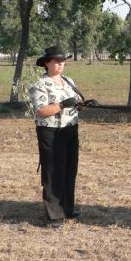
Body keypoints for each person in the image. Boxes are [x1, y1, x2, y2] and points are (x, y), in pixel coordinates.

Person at [29, 46, 83, 227]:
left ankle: (67, 209)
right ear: (47, 63)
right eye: (56, 61)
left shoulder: (68, 81)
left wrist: (83, 104)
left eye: (63, 61)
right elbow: (41, 111)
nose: (61, 64)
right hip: (51, 132)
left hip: (70, 129)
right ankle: (54, 215)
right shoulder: (40, 85)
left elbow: (75, 102)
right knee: (53, 172)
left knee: (69, 170)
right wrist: (61, 105)